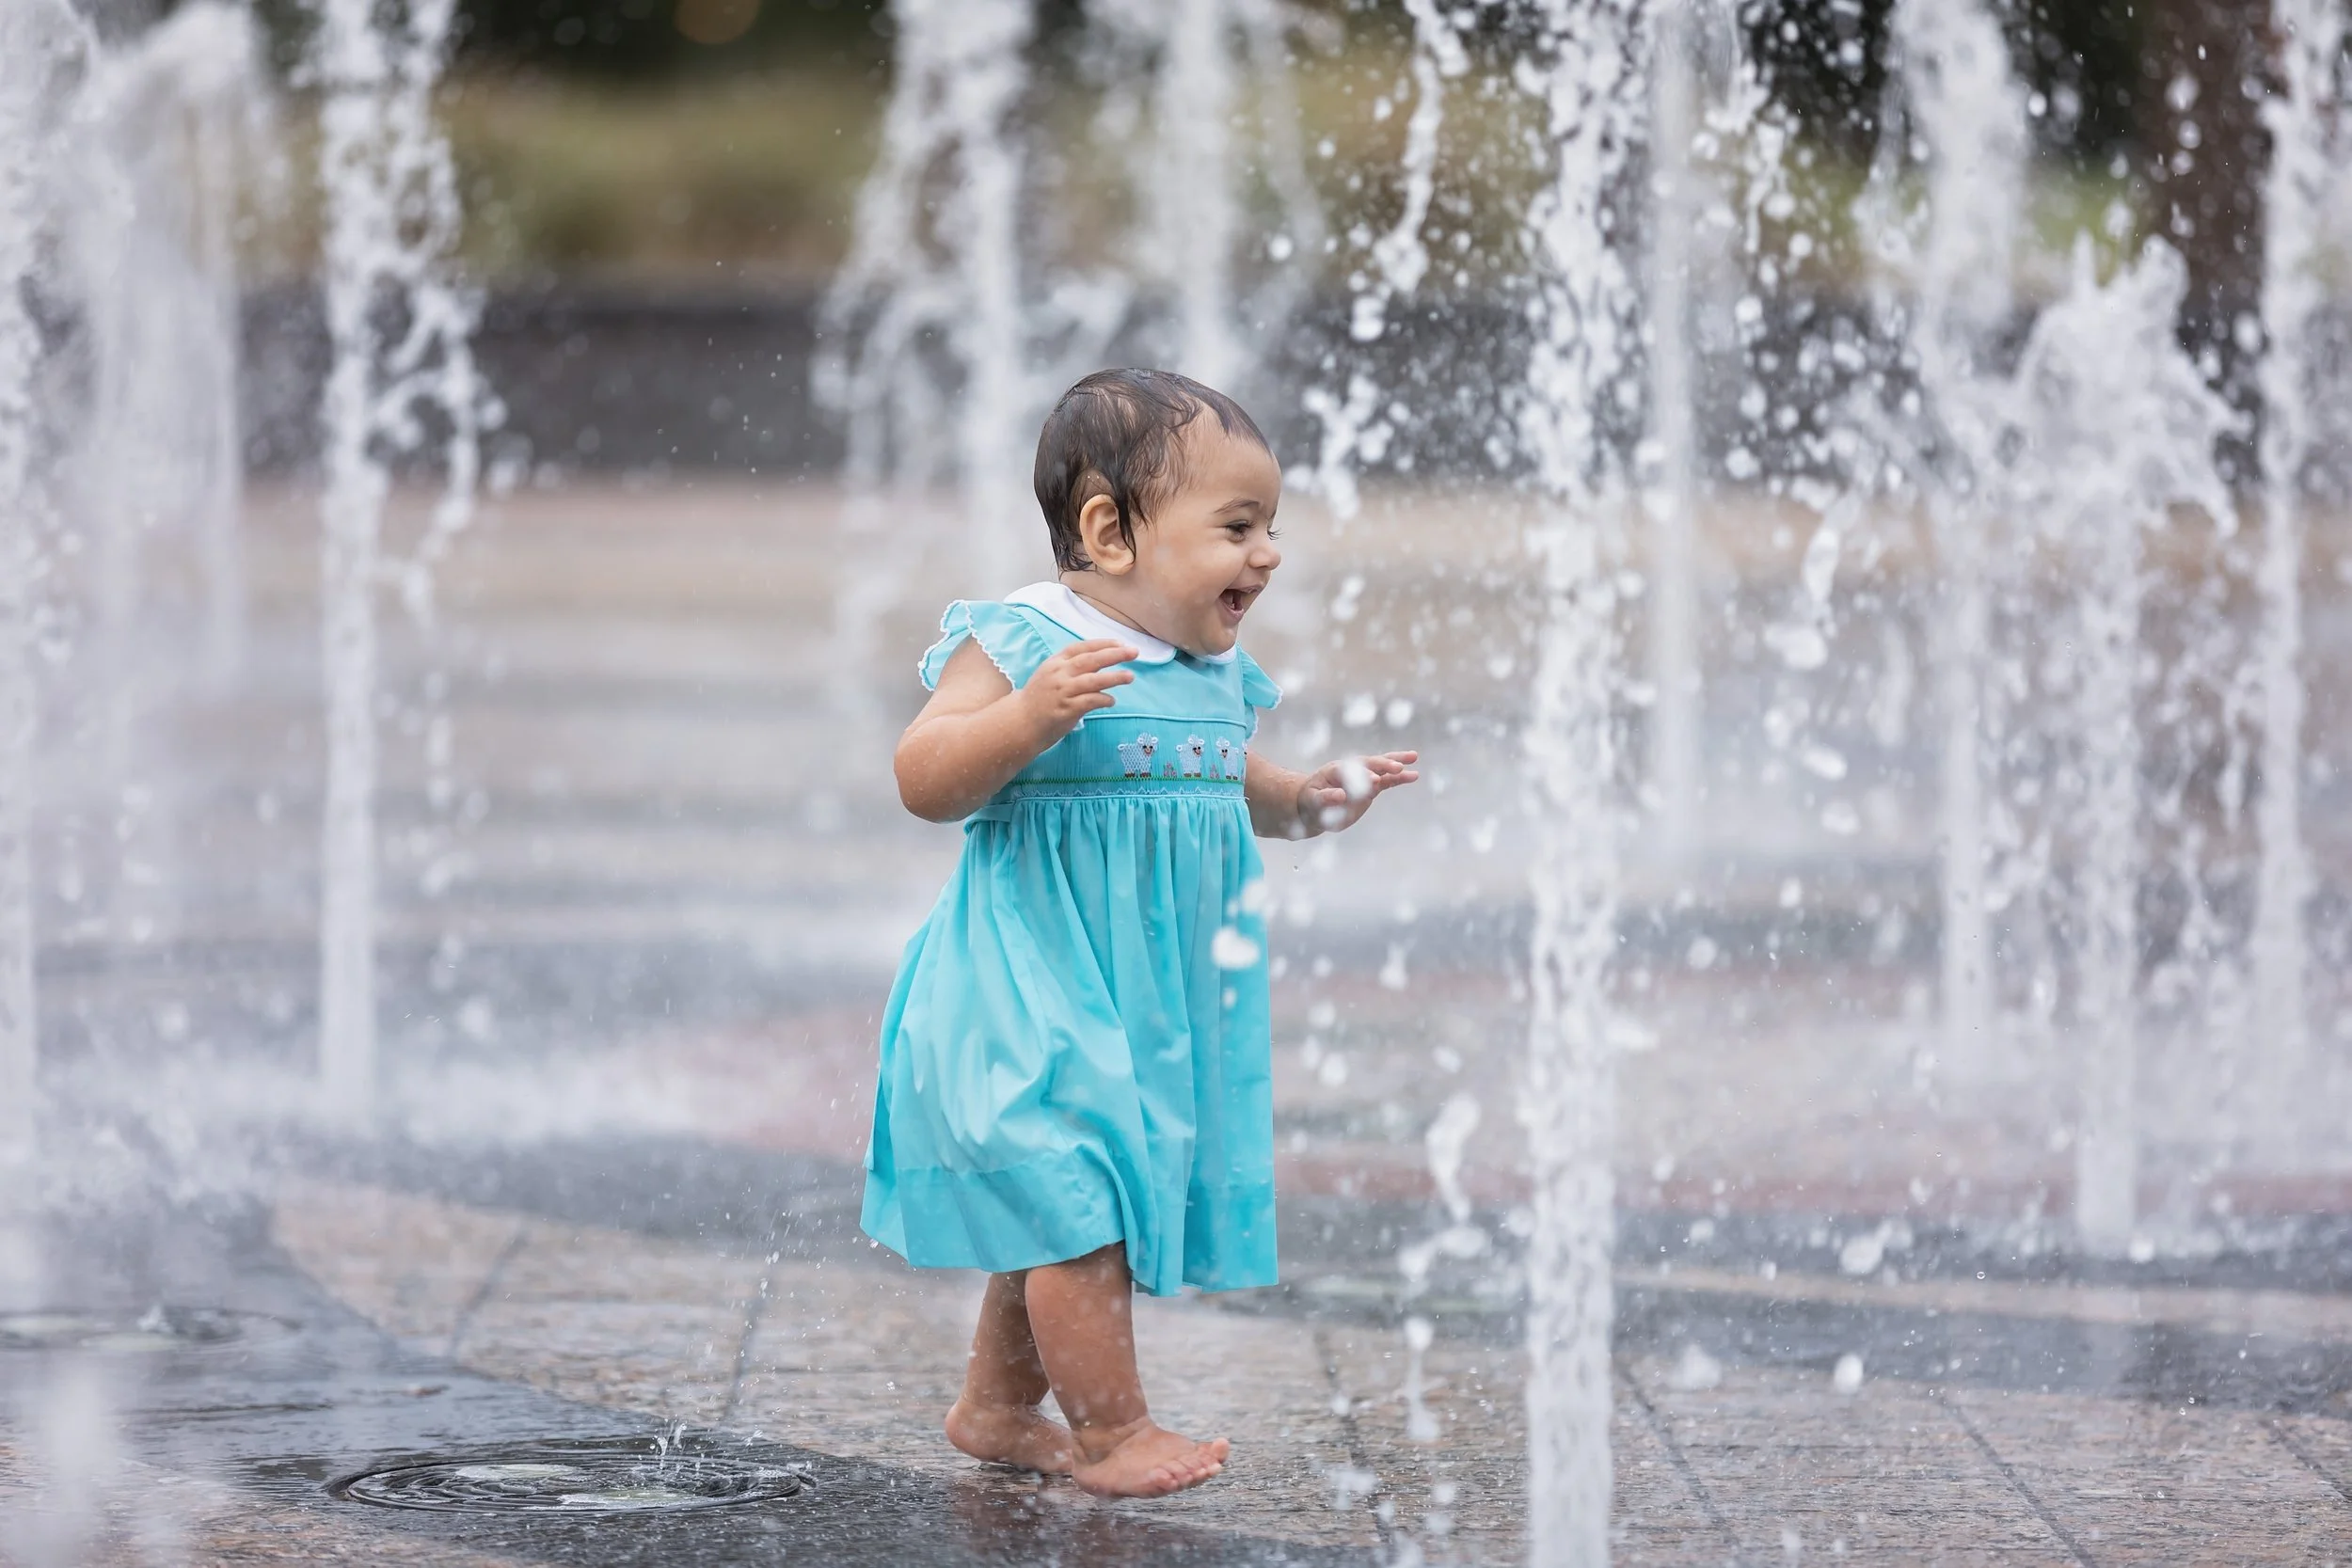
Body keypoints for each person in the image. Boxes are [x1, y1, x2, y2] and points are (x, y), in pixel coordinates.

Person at [862, 367, 1419, 1498]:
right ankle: (1114, 1432)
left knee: (1074, 1195)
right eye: (1237, 526)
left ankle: (998, 1405)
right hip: (1031, 973)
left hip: (1145, 998)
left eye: (1271, 528)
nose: (1266, 555)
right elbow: (923, 776)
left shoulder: (1212, 675)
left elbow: (1229, 785)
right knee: (1082, 1203)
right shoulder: (1030, 641)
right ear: (1110, 529)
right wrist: (1024, 716)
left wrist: (1313, 796)